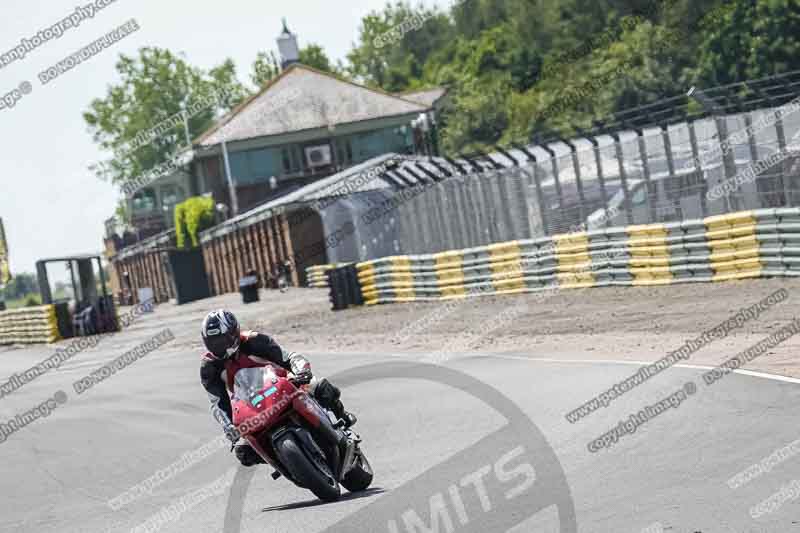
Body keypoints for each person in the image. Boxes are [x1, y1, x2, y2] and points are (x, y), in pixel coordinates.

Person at [200, 309, 357, 467]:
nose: (219, 347)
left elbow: (289, 357)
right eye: (213, 343)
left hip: (285, 383)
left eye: (222, 340)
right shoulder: (209, 367)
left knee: (320, 386)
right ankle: (284, 461)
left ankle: (342, 417)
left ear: (234, 333)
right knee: (243, 452)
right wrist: (229, 427)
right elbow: (218, 403)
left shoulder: (254, 340)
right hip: (251, 406)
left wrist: (302, 371)